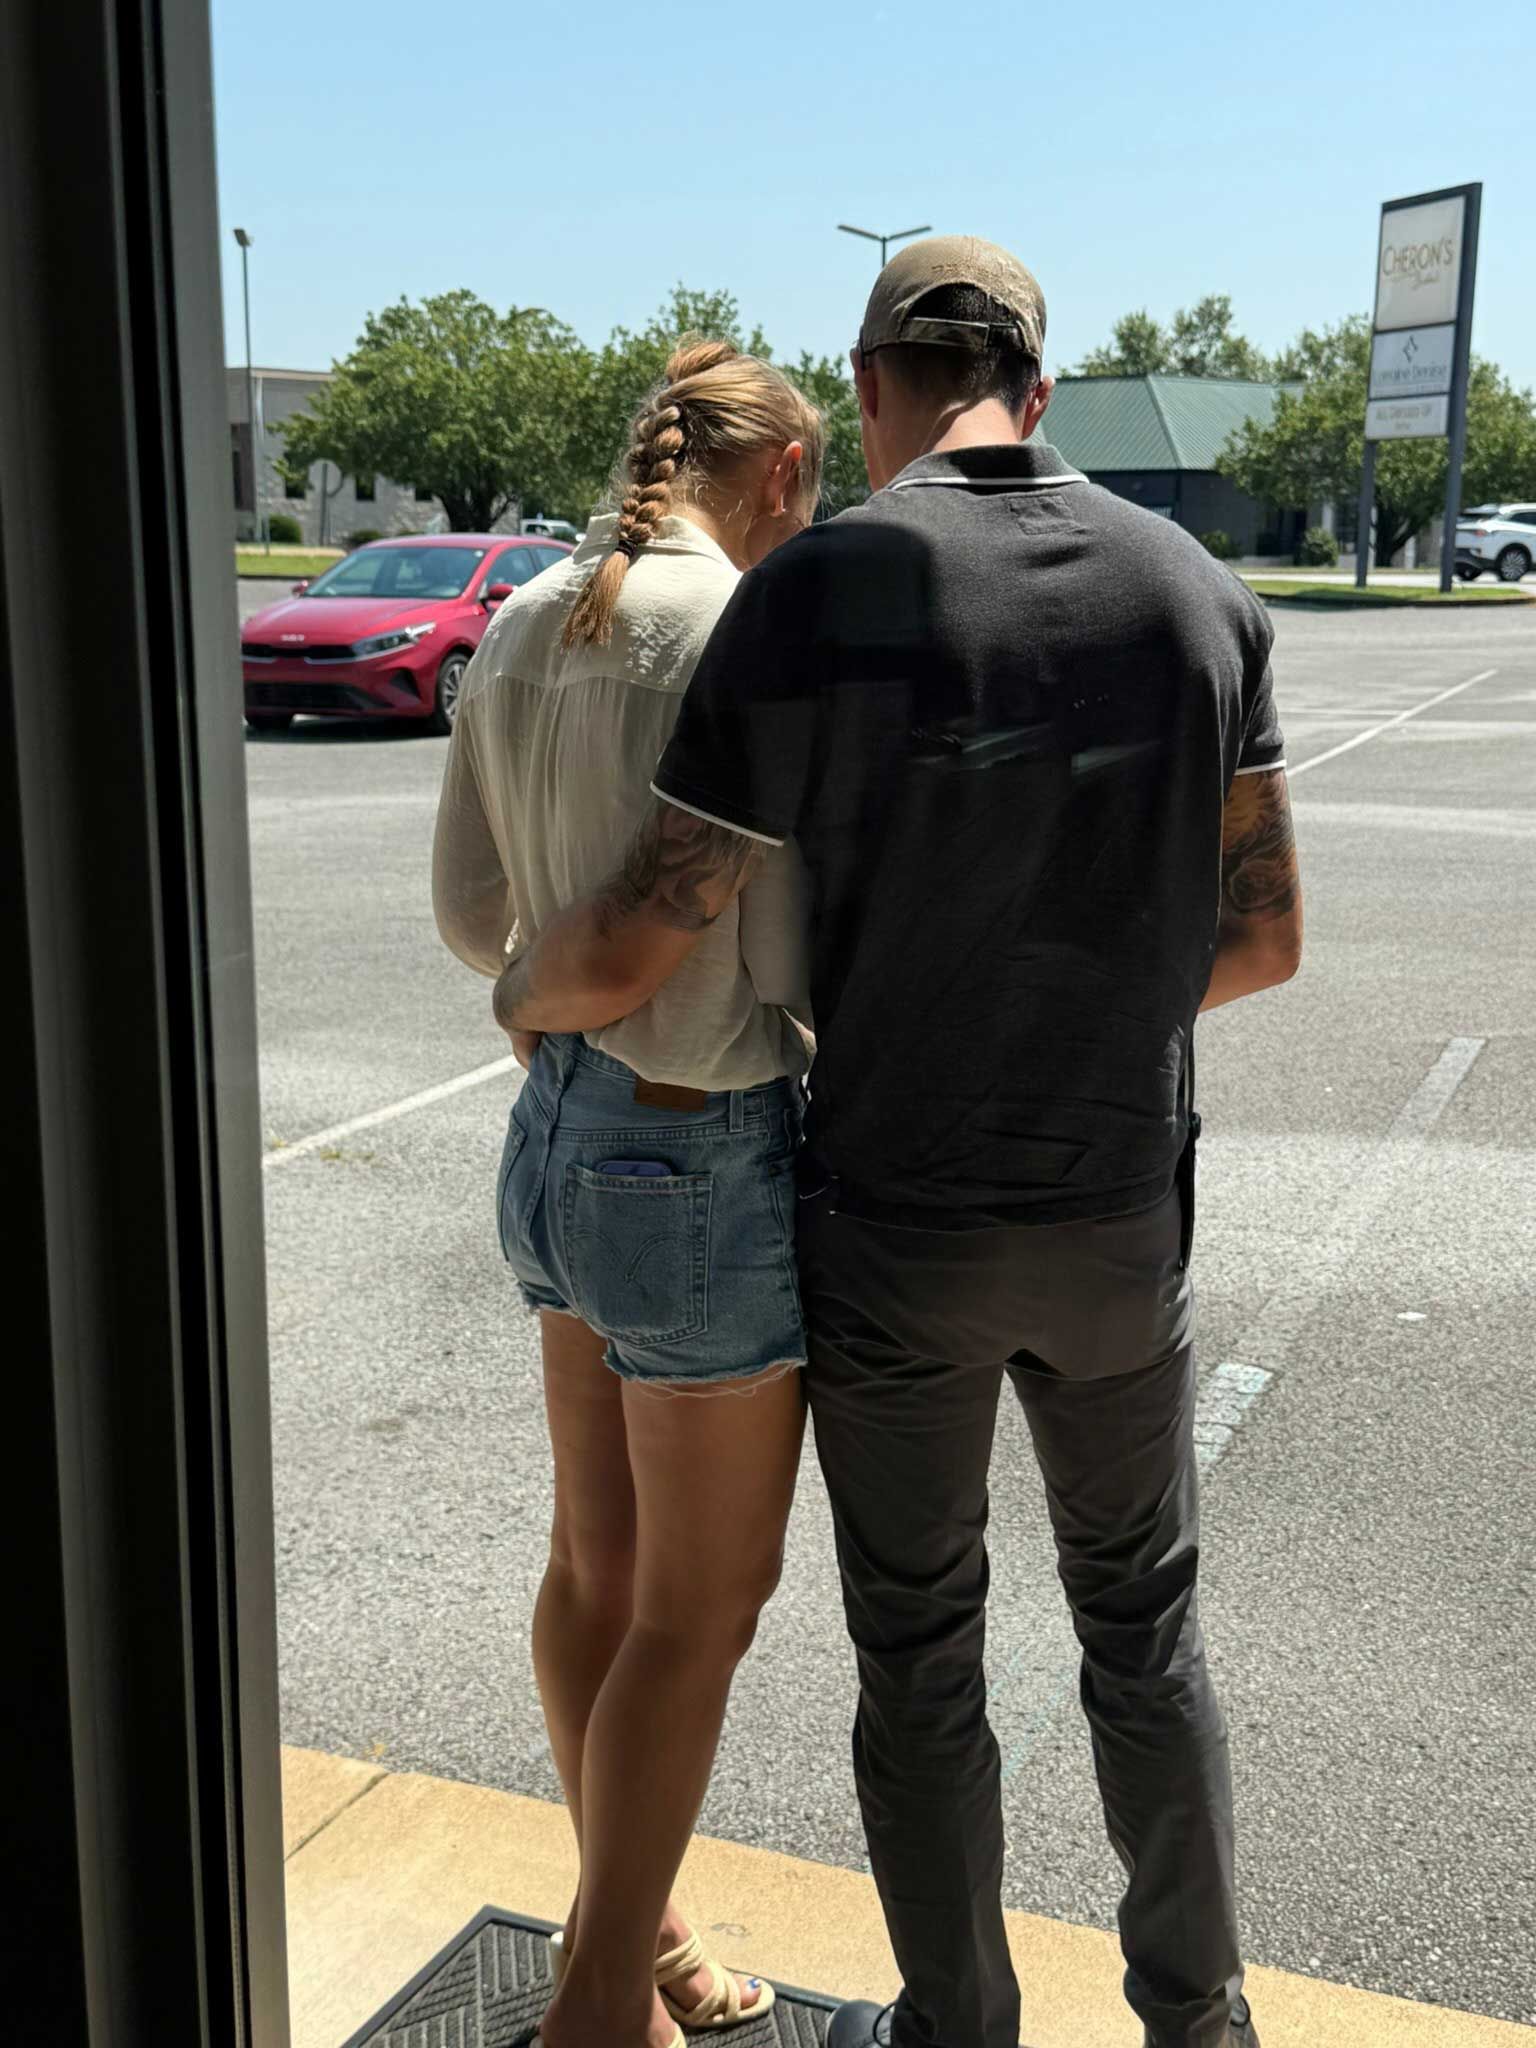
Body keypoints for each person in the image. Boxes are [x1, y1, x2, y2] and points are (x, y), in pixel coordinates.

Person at [492, 238, 1303, 2048]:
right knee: (1143, 1635)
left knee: (921, 1656)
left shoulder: (822, 593)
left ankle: (962, 2026)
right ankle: (1201, 2019)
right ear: (1043, 371)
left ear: (870, 390)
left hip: (896, 1226)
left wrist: (523, 996)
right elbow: (1262, 938)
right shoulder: (1197, 594)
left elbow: (651, 925)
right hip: (1111, 1217)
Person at [432, 339, 826, 2048]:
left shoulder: (526, 618)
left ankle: (638, 1929)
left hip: (554, 1130)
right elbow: (794, 955)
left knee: (595, 1571)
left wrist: (544, 989)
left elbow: (470, 912)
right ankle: (601, 2006)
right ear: (790, 479)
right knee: (702, 1604)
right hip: (697, 1140)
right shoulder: (745, 632)